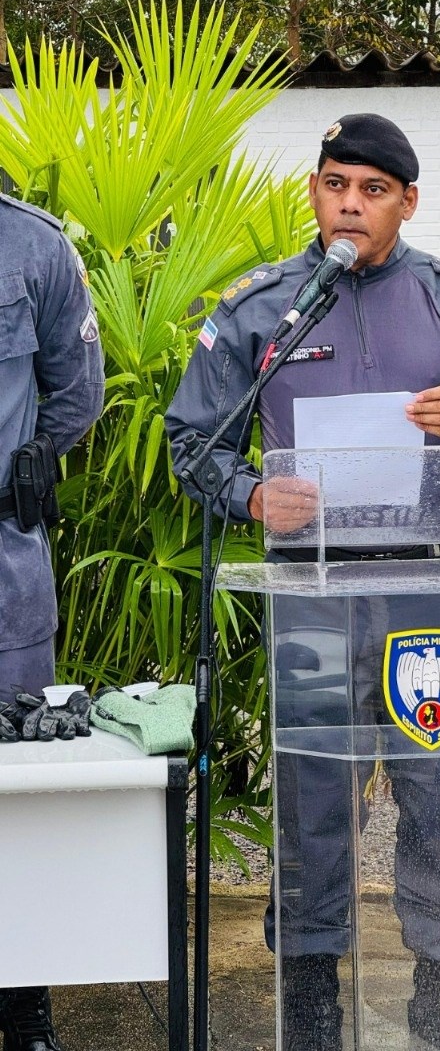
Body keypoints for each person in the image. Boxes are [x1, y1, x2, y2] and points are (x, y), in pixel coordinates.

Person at [166, 113, 440, 1050]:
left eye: (373, 189)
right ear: (316, 189)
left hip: (432, 596)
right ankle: (310, 1016)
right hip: (310, 599)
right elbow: (194, 443)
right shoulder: (262, 309)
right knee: (311, 805)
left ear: (408, 202)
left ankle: (438, 1016)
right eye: (335, 182)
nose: (351, 203)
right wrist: (254, 496)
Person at [0, 192, 105, 1051]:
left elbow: (79, 390)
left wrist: (38, 457)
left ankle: (21, 998)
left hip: (4, 559)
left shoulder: (33, 246)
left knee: (15, 789)